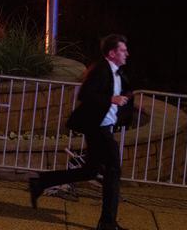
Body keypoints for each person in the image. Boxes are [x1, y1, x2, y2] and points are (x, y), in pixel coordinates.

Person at [28, 34, 134, 230]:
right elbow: (85, 94)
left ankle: (41, 181)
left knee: (90, 170)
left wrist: (126, 100)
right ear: (112, 53)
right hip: (97, 128)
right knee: (113, 170)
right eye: (122, 50)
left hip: (105, 126)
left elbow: (122, 93)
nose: (127, 53)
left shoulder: (118, 72)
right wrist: (112, 99)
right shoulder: (100, 69)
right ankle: (107, 223)